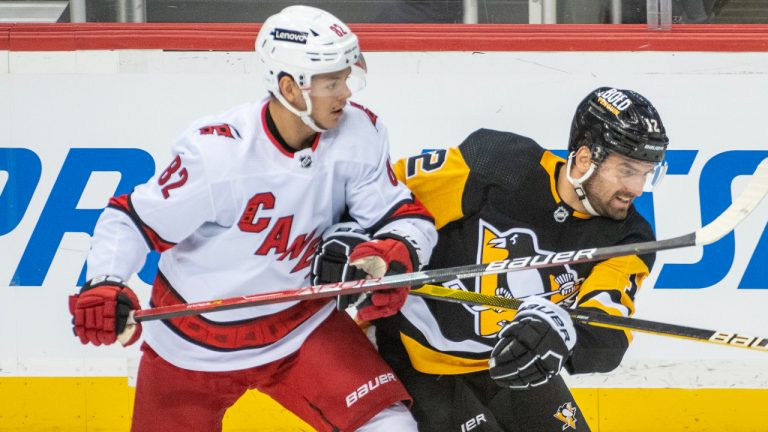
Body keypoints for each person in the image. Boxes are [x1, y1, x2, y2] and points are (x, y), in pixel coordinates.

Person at [67, 5, 437, 432]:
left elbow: (405, 218)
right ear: (290, 88)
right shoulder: (218, 154)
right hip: (191, 344)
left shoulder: (360, 133)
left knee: (390, 427)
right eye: (332, 82)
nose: (346, 93)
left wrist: (395, 253)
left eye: (346, 78)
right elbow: (130, 218)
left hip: (301, 328)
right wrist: (104, 281)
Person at [317, 87, 669, 431]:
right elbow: (389, 200)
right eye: (627, 170)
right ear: (584, 159)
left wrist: (566, 334)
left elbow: (608, 329)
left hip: (507, 363)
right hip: (413, 357)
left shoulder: (628, 237)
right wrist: (349, 239)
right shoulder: (499, 164)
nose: (637, 188)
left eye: (646, 173)